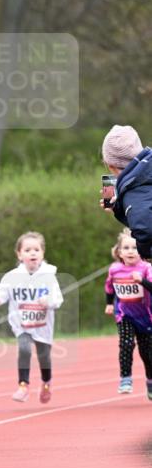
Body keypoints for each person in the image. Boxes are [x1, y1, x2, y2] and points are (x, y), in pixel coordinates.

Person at [0, 232, 63, 403]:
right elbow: (0, 297)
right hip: (21, 324)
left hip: (43, 325)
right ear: (19, 254)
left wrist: (48, 302)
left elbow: (58, 300)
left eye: (36, 249)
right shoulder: (11, 277)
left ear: (42, 253)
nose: (32, 253)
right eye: (27, 250)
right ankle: (23, 385)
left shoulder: (49, 276)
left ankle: (46, 383)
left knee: (44, 357)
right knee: (24, 349)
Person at [104, 231, 152, 398]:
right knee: (126, 343)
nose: (130, 251)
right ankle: (125, 378)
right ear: (119, 252)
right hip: (124, 314)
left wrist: (142, 281)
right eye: (126, 248)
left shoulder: (146, 268)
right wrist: (109, 304)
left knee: (147, 354)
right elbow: (109, 287)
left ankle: (150, 380)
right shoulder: (115, 270)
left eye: (135, 247)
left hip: (146, 317)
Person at [101, 125, 152, 260]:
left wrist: (145, 254)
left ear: (110, 165)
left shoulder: (133, 193)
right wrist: (120, 208)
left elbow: (144, 230)